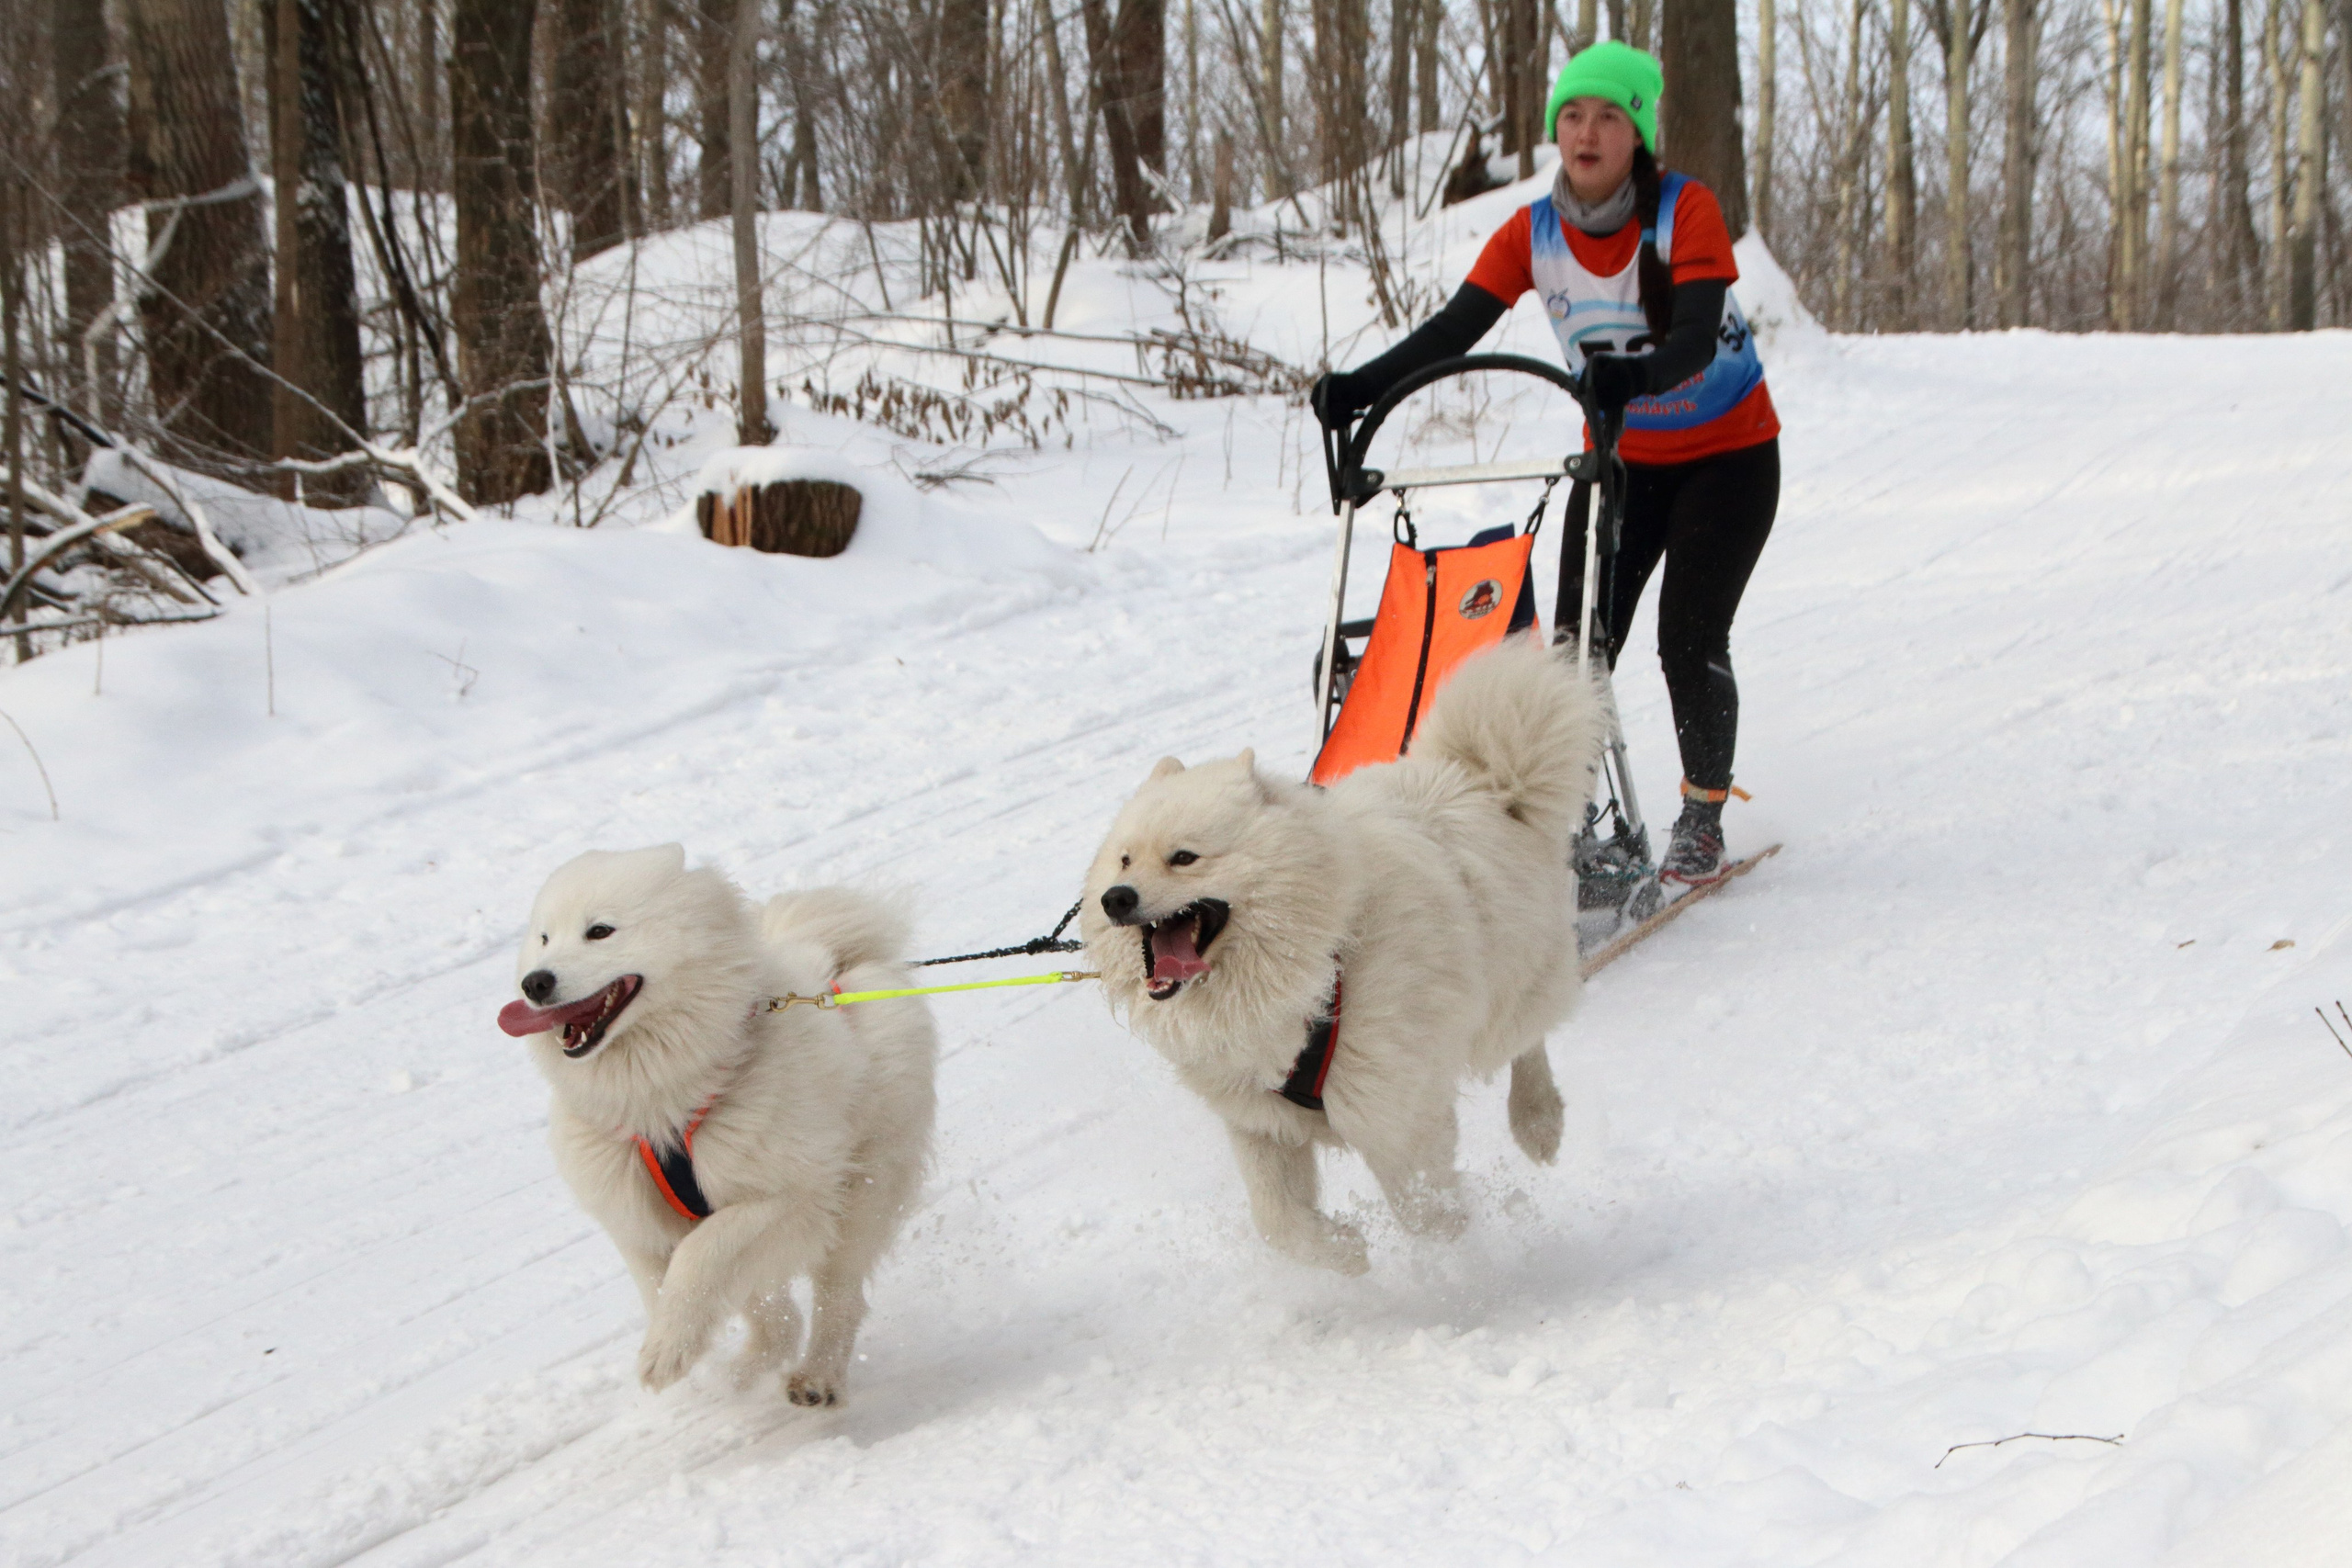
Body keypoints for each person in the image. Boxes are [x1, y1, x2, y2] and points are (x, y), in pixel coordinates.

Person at [1311, 41, 1780, 887]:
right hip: (1623, 462)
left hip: (1730, 457)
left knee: (1688, 634)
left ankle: (1703, 815)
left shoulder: (1685, 211)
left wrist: (1632, 375)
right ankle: (1578, 821)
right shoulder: (1533, 232)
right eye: (1571, 115)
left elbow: (1695, 338)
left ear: (1636, 132)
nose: (1586, 132)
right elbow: (1451, 334)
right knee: (1574, 646)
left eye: (1608, 116)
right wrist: (1360, 388)